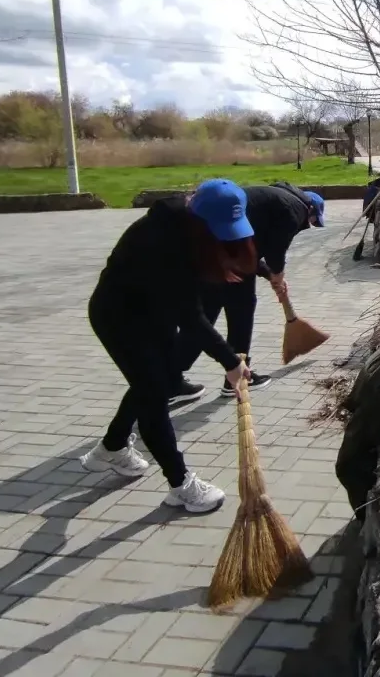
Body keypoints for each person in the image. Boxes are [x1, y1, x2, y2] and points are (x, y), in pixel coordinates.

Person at [81, 178, 254, 513]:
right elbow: (191, 317)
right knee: (153, 394)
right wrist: (231, 362)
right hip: (119, 317)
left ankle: (111, 449)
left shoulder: (193, 228)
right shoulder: (161, 241)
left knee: (152, 383)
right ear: (201, 222)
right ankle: (181, 485)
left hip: (155, 314)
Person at [169, 182, 325, 402]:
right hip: (228, 260)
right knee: (240, 314)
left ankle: (170, 379)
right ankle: (237, 378)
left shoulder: (271, 200)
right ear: (311, 210)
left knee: (203, 318)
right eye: (313, 221)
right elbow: (275, 250)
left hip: (213, 256)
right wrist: (277, 274)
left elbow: (251, 246)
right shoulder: (294, 210)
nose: (309, 226)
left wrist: (269, 273)